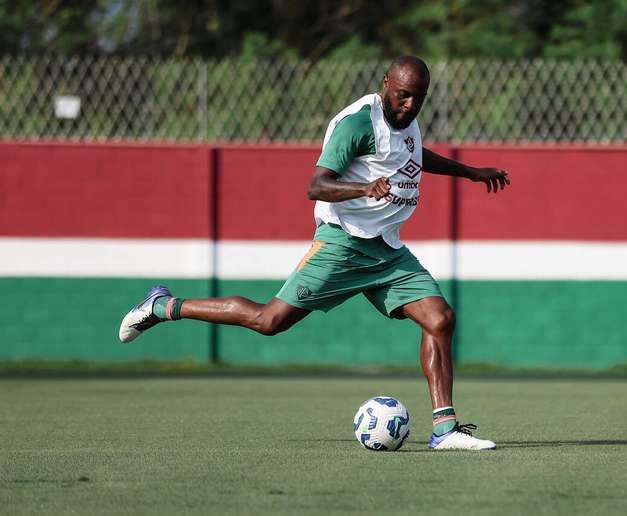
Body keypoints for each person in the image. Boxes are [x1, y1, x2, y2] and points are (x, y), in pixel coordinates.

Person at [119, 55, 509, 451]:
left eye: (418, 98)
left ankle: (444, 429)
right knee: (269, 320)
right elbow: (317, 185)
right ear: (386, 82)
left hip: (387, 251)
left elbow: (414, 156)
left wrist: (471, 172)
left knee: (439, 319)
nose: (410, 105)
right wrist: (363, 189)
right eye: (403, 96)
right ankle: (163, 305)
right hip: (343, 244)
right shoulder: (358, 124)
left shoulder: (407, 121)